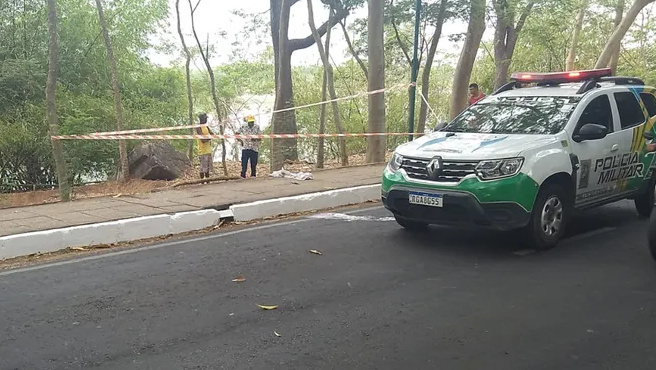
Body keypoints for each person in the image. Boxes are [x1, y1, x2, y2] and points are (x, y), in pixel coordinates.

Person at [196, 113, 213, 181]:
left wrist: (209, 136)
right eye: (205, 118)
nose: (206, 120)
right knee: (203, 168)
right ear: (201, 119)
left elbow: (212, 134)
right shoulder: (198, 128)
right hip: (202, 151)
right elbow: (203, 140)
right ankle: (202, 181)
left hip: (208, 150)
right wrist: (209, 137)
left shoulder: (206, 126)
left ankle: (207, 181)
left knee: (208, 168)